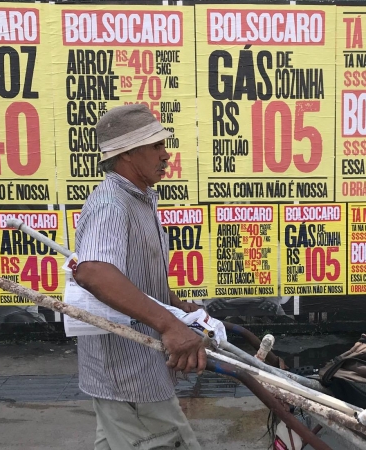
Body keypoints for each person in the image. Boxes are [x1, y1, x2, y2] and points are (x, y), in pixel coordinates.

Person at [72, 104, 206, 450]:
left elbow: (132, 274)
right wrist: (170, 326)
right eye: (156, 146)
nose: (166, 154)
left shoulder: (140, 199)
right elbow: (94, 272)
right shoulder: (111, 204)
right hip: (129, 373)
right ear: (128, 154)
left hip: (134, 370)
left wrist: (178, 306)